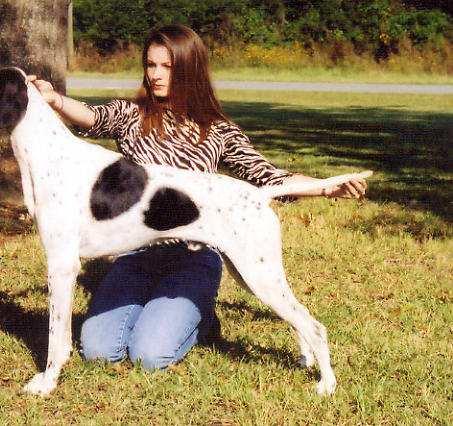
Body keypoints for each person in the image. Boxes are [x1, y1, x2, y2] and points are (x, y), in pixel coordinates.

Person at [29, 24, 368, 371]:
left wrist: (325, 187)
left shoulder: (218, 129)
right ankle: (168, 312)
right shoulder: (132, 115)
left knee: (151, 356)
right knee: (100, 351)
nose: (157, 75)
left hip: (192, 258)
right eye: (151, 65)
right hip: (135, 256)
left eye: (168, 67)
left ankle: (201, 319)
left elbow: (267, 176)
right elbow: (92, 117)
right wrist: (55, 100)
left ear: (189, 69)